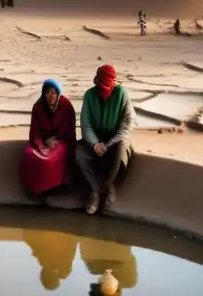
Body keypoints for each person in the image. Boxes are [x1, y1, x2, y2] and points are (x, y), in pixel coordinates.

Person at [77, 65, 135, 215]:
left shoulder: (122, 94)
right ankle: (95, 191)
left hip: (115, 140)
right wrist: (94, 144)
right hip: (95, 140)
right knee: (79, 153)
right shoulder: (89, 95)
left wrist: (109, 144)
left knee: (121, 149)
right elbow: (86, 123)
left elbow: (127, 124)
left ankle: (109, 187)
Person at [19, 79, 77, 197]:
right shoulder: (38, 107)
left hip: (62, 140)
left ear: (58, 94)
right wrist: (40, 146)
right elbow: (34, 132)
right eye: (47, 92)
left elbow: (69, 129)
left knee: (54, 157)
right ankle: (34, 188)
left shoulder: (66, 106)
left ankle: (55, 186)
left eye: (53, 92)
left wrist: (56, 139)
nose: (50, 95)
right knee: (30, 154)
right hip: (43, 142)